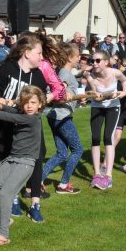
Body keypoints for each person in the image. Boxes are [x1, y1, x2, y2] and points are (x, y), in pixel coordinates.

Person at [0, 86, 47, 246]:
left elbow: (12, 118)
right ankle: (7, 218)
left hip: (26, 163)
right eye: (26, 103)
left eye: (33, 102)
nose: (29, 106)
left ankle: (4, 235)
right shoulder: (22, 112)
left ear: (40, 104)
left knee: (6, 194)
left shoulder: (34, 118)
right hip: (12, 159)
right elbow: (11, 111)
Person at [41, 45, 85, 194]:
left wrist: (80, 97)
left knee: (61, 153)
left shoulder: (64, 72)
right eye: (77, 56)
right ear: (69, 58)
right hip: (62, 116)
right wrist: (65, 95)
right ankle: (64, 184)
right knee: (78, 150)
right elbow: (59, 92)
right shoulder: (66, 73)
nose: (79, 58)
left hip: (55, 116)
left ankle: (37, 179)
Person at [86, 50, 126, 190]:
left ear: (106, 62)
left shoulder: (115, 73)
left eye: (98, 60)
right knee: (95, 138)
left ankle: (109, 176)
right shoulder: (91, 76)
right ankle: (97, 174)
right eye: (93, 61)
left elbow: (125, 80)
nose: (95, 63)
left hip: (113, 107)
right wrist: (97, 96)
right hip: (97, 107)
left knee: (108, 138)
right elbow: (95, 95)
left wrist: (123, 92)